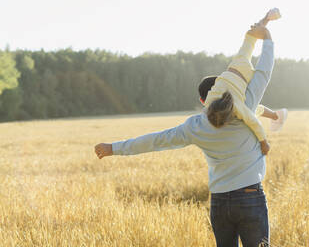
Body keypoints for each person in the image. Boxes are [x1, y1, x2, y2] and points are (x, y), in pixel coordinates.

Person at [94, 25, 276, 247]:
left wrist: (114, 148)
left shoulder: (196, 126)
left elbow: (157, 140)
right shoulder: (247, 103)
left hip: (219, 202)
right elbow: (264, 72)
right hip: (250, 196)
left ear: (203, 102)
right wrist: (267, 39)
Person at [202, 8, 287, 155]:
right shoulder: (211, 101)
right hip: (235, 67)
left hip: (246, 78)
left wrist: (263, 142)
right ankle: (267, 17)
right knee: (250, 38)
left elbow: (253, 122)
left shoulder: (237, 107)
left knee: (252, 107)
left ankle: (276, 116)